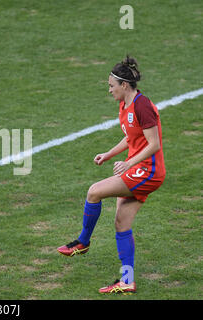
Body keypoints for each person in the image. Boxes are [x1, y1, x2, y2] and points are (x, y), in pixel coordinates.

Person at [57, 56, 166, 294]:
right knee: (121, 222)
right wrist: (108, 154)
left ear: (124, 85)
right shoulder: (125, 106)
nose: (109, 90)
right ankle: (127, 280)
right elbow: (131, 137)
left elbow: (154, 144)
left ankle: (83, 242)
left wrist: (129, 164)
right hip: (139, 168)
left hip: (148, 171)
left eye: (111, 85)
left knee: (94, 192)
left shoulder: (142, 105)